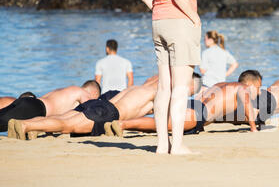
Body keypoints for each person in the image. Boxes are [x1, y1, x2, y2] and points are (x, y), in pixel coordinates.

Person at [9, 74, 202, 140]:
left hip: (100, 103)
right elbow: (167, 117)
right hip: (107, 113)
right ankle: (27, 126)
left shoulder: (143, 86)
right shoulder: (159, 94)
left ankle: (25, 123)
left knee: (66, 118)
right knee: (66, 125)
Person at [105, 70, 262, 136]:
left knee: (162, 123)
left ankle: (125, 123)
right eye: (258, 88)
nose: (259, 92)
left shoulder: (224, 85)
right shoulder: (243, 88)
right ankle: (123, 125)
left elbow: (220, 111)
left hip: (193, 104)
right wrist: (253, 128)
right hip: (198, 113)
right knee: (160, 125)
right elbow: (246, 103)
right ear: (250, 84)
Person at [142, 0, 202, 155]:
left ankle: (162, 145)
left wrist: (162, 10)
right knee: (180, 87)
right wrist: (195, 17)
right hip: (180, 22)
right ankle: (177, 146)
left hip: (158, 21)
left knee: (163, 87)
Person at [0, 81, 100, 132]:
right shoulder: (83, 93)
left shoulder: (67, 89)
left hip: (28, 101)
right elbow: (90, 110)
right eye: (96, 98)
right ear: (94, 92)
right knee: (3, 123)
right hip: (38, 108)